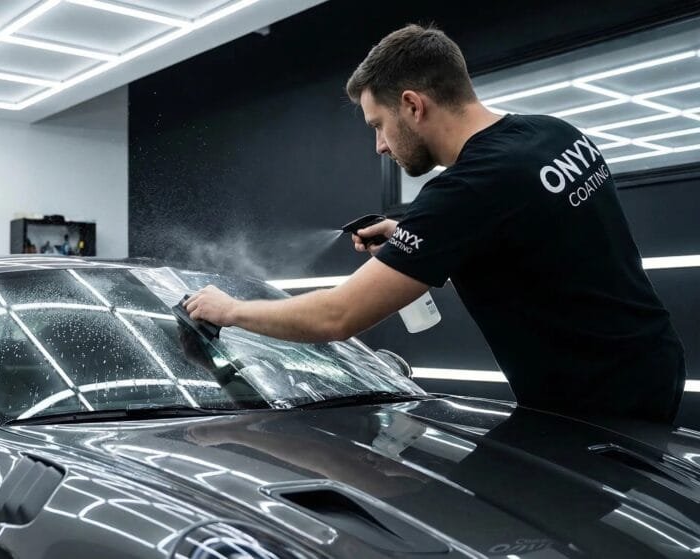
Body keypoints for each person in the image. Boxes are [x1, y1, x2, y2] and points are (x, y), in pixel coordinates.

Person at [186, 24, 686, 423]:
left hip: (591, 406)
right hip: (653, 363)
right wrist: (411, 237)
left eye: (378, 125)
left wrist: (229, 310)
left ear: (412, 104)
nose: (380, 145)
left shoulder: (466, 191)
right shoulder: (552, 133)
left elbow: (335, 318)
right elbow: (530, 241)